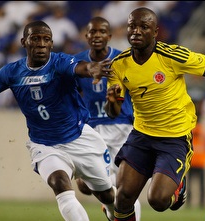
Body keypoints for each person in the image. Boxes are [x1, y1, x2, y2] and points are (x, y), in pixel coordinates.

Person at [0, 20, 116, 221]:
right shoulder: (12, 72)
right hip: (45, 145)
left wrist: (93, 69)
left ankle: (111, 212)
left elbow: (81, 67)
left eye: (46, 39)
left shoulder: (59, 63)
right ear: (24, 42)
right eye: (35, 38)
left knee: (107, 195)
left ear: (51, 43)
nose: (41, 44)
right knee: (59, 183)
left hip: (80, 138)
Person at [102, 7, 205, 220]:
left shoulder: (171, 56)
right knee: (122, 198)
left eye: (144, 27)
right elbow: (113, 112)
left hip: (174, 138)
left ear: (155, 32)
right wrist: (112, 102)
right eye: (132, 26)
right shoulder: (119, 65)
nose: (136, 31)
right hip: (141, 135)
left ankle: (177, 190)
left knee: (158, 201)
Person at [73, 16, 141, 220]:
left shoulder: (122, 60)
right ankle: (111, 205)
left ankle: (118, 207)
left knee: (124, 188)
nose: (97, 35)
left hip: (121, 127)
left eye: (101, 31)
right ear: (86, 36)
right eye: (92, 32)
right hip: (92, 128)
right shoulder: (78, 63)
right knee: (84, 186)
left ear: (109, 36)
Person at [187, 117, 205, 208]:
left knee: (189, 184)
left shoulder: (190, 131)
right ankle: (202, 202)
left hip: (191, 161)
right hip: (201, 162)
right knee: (202, 184)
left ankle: (189, 202)